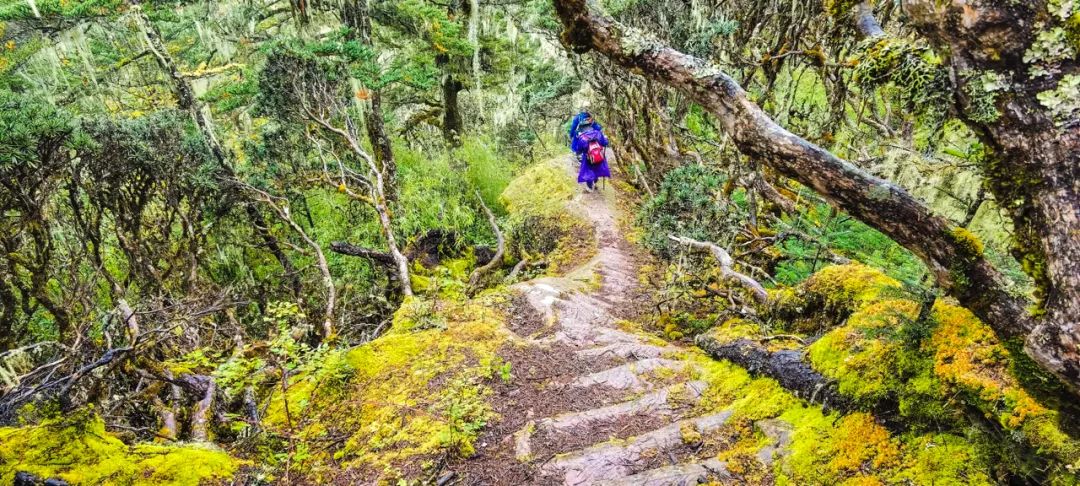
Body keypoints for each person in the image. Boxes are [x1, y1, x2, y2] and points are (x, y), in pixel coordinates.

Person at [569, 112, 611, 192]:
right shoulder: (598, 133)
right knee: (597, 168)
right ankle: (595, 182)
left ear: (582, 128)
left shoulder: (582, 137)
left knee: (588, 170)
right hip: (599, 156)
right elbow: (605, 143)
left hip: (588, 157)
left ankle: (590, 187)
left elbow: (579, 149)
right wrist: (605, 139)